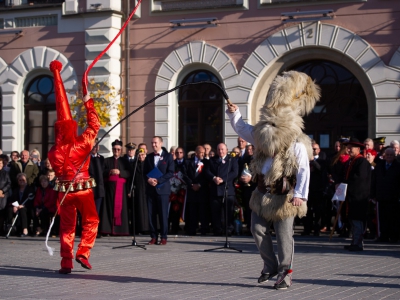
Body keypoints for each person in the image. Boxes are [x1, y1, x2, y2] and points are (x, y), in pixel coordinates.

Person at [226, 71, 320, 289]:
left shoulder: (294, 142)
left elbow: (304, 169)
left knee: (284, 236)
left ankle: (285, 273)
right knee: (257, 229)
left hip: (284, 197)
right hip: (261, 193)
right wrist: (235, 113)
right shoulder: (262, 135)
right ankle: (270, 266)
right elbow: (243, 128)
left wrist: (300, 194)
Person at [47, 60, 100, 274]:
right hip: (83, 188)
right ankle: (83, 252)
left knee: (67, 227)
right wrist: (88, 102)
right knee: (91, 220)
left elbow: (59, 169)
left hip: (64, 191)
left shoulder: (53, 152)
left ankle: (66, 262)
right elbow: (95, 125)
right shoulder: (82, 143)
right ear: (71, 128)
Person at [341, 138, 371, 251]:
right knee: (352, 220)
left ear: (358, 149)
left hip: (359, 196)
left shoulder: (362, 162)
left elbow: (359, 179)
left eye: (351, 148)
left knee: (357, 220)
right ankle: (355, 241)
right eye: (347, 147)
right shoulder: (350, 161)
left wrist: (346, 184)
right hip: (351, 196)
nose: (348, 150)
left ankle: (358, 243)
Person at [143, 136, 174, 245]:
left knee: (162, 214)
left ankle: (164, 236)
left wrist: (158, 180)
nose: (153, 145)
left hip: (163, 190)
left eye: (155, 143)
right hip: (151, 190)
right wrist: (149, 180)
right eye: (152, 143)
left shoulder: (168, 156)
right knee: (151, 214)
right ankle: (153, 236)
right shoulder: (149, 157)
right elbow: (144, 172)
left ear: (161, 143)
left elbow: (170, 172)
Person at [205, 143, 239, 236]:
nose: (220, 151)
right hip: (215, 190)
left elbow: (234, 172)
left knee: (228, 212)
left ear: (226, 150)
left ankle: (229, 229)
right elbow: (207, 171)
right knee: (216, 212)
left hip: (227, 189)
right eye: (219, 149)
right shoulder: (212, 160)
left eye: (222, 149)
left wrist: (223, 179)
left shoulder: (232, 160)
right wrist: (214, 178)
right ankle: (217, 229)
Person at [100, 139, 131, 236]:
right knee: (108, 208)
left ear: (121, 150)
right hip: (109, 189)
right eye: (114, 149)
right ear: (112, 150)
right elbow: (102, 172)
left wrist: (120, 172)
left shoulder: (125, 161)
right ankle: (108, 229)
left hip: (121, 189)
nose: (116, 151)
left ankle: (119, 230)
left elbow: (129, 173)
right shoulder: (107, 160)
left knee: (121, 209)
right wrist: (110, 171)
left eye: (118, 149)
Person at [371, 147, 400, 243]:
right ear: (384, 156)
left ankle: (393, 236)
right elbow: (374, 181)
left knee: (393, 218)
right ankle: (383, 236)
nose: (389, 157)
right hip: (381, 196)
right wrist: (373, 194)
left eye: (391, 155)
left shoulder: (398, 166)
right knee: (382, 218)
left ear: (394, 156)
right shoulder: (379, 166)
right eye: (387, 155)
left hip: (393, 197)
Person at [184, 145, 208, 235]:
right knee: (192, 211)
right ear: (196, 152)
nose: (202, 154)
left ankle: (204, 229)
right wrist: (192, 184)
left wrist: (199, 184)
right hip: (192, 190)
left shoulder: (206, 162)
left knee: (203, 210)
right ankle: (192, 229)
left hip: (202, 190)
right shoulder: (188, 162)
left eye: (203, 153)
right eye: (200, 152)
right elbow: (185, 174)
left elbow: (207, 175)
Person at [169, 147, 187, 235]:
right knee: (174, 209)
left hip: (184, 189)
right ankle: (174, 227)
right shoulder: (172, 163)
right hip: (174, 189)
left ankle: (186, 227)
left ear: (183, 153)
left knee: (185, 209)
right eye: (177, 152)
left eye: (181, 152)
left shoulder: (186, 163)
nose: (179, 154)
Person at [132, 148, 149, 234]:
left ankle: (147, 228)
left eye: (142, 155)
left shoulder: (148, 164)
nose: (141, 157)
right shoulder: (135, 164)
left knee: (147, 209)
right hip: (138, 189)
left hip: (147, 189)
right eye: (139, 155)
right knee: (139, 209)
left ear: (145, 155)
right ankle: (140, 228)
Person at [88, 138, 105, 217]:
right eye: (93, 146)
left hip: (99, 190)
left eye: (96, 146)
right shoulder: (87, 158)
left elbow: (102, 172)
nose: (94, 148)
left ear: (98, 147)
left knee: (97, 212)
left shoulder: (101, 158)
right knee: (89, 212)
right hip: (89, 189)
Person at [0, 158, 11, 236]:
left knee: (2, 213)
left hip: (3, 195)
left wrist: (2, 190)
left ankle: (1, 229)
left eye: (1, 163)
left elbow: (9, 183)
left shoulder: (6, 173)